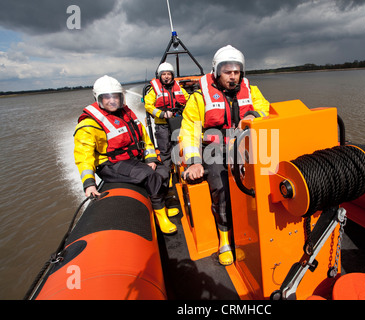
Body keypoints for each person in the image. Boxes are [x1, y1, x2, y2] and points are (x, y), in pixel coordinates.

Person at [179, 45, 270, 265]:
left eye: (236, 71)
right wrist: (193, 162)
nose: (232, 76)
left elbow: (266, 110)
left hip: (243, 144)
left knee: (267, 176)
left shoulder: (252, 90)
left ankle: (261, 226)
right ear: (216, 72)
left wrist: (253, 115)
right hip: (214, 149)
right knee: (221, 190)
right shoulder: (199, 98)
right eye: (227, 71)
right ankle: (225, 239)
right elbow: (189, 131)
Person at [74, 75, 177, 235]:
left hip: (132, 159)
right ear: (98, 99)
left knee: (163, 169)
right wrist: (89, 184)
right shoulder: (88, 125)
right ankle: (160, 215)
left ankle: (161, 202)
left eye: (116, 96)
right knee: (149, 175)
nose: (112, 101)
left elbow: (144, 137)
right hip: (110, 164)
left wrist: (150, 158)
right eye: (107, 98)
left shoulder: (126, 114)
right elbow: (83, 156)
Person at [144, 62, 190, 217]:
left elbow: (189, 99)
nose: (166, 76)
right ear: (160, 76)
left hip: (178, 123)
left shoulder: (179, 88)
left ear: (172, 75)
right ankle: (167, 177)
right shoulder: (153, 91)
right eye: (163, 74)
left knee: (181, 148)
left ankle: (181, 171)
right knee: (164, 152)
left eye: (169, 74)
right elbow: (149, 106)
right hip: (163, 126)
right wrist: (163, 114)